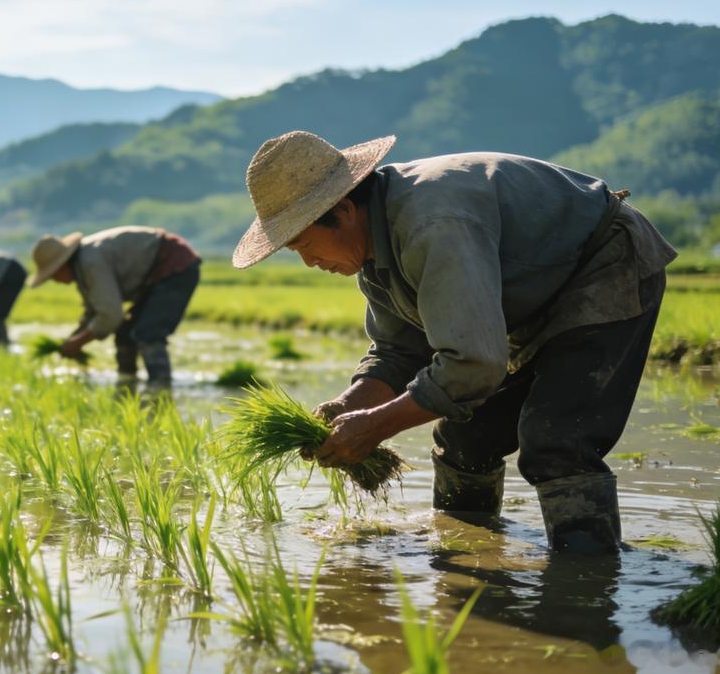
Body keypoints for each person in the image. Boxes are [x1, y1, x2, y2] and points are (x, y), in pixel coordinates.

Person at [232, 131, 677, 553]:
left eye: (306, 245)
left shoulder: (432, 223)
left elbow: (472, 365)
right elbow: (398, 350)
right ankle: (466, 558)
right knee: (466, 436)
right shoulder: (372, 250)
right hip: (532, 296)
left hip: (600, 268)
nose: (310, 262)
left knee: (556, 439)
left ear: (344, 211)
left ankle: (584, 585)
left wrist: (375, 426)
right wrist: (349, 405)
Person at [28, 226, 201, 385]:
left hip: (174, 266)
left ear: (61, 266)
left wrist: (78, 342)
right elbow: (94, 311)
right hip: (155, 275)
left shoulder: (90, 263)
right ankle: (127, 384)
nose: (55, 281)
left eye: (52, 275)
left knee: (148, 333)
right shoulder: (82, 267)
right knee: (125, 333)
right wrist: (73, 339)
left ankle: (160, 388)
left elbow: (111, 314)